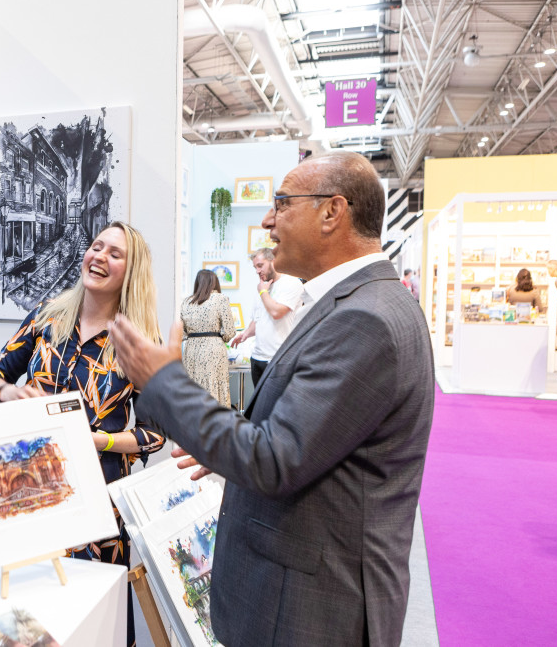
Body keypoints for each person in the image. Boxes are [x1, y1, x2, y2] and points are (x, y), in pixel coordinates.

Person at [107, 150, 434, 646]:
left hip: (312, 609)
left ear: (332, 212)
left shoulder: (364, 319)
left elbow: (274, 460)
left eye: (281, 202)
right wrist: (224, 451)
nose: (267, 219)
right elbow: (305, 442)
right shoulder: (362, 304)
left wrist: (163, 380)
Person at [0, 221, 165, 647]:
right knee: (35, 613)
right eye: (96, 246)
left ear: (130, 272)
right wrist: (7, 392)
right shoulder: (48, 315)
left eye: (114, 253)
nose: (99, 256)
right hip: (30, 491)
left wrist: (99, 440)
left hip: (97, 506)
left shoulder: (136, 341)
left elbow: (155, 435)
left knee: (98, 619)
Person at [229, 248, 303, 387]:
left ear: (273, 261)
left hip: (278, 359)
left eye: (260, 265)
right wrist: (245, 334)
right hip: (257, 358)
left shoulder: (291, 283)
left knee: (275, 406)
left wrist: (263, 291)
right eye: (255, 267)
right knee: (259, 407)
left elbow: (276, 312)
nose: (257, 271)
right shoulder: (263, 287)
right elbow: (258, 319)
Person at [180, 269, 235, 406]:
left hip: (191, 349)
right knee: (215, 387)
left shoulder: (186, 302)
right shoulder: (220, 299)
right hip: (214, 348)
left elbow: (182, 332)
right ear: (214, 282)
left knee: (193, 387)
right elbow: (229, 331)